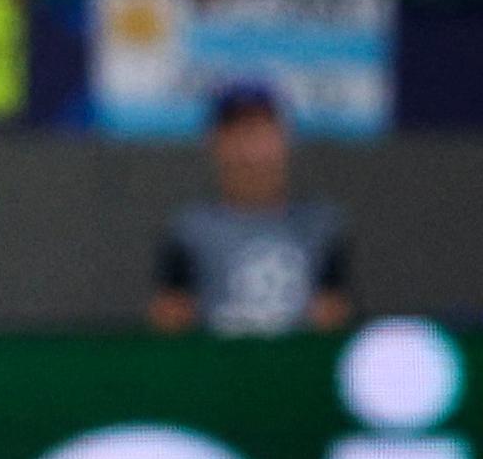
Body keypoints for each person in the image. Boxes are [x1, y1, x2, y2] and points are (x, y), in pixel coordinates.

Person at [150, 83, 350, 338]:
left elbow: (336, 317)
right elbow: (170, 318)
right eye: (238, 133)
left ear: (284, 138)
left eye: (260, 131)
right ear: (216, 141)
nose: (250, 148)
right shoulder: (189, 229)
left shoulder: (320, 225)